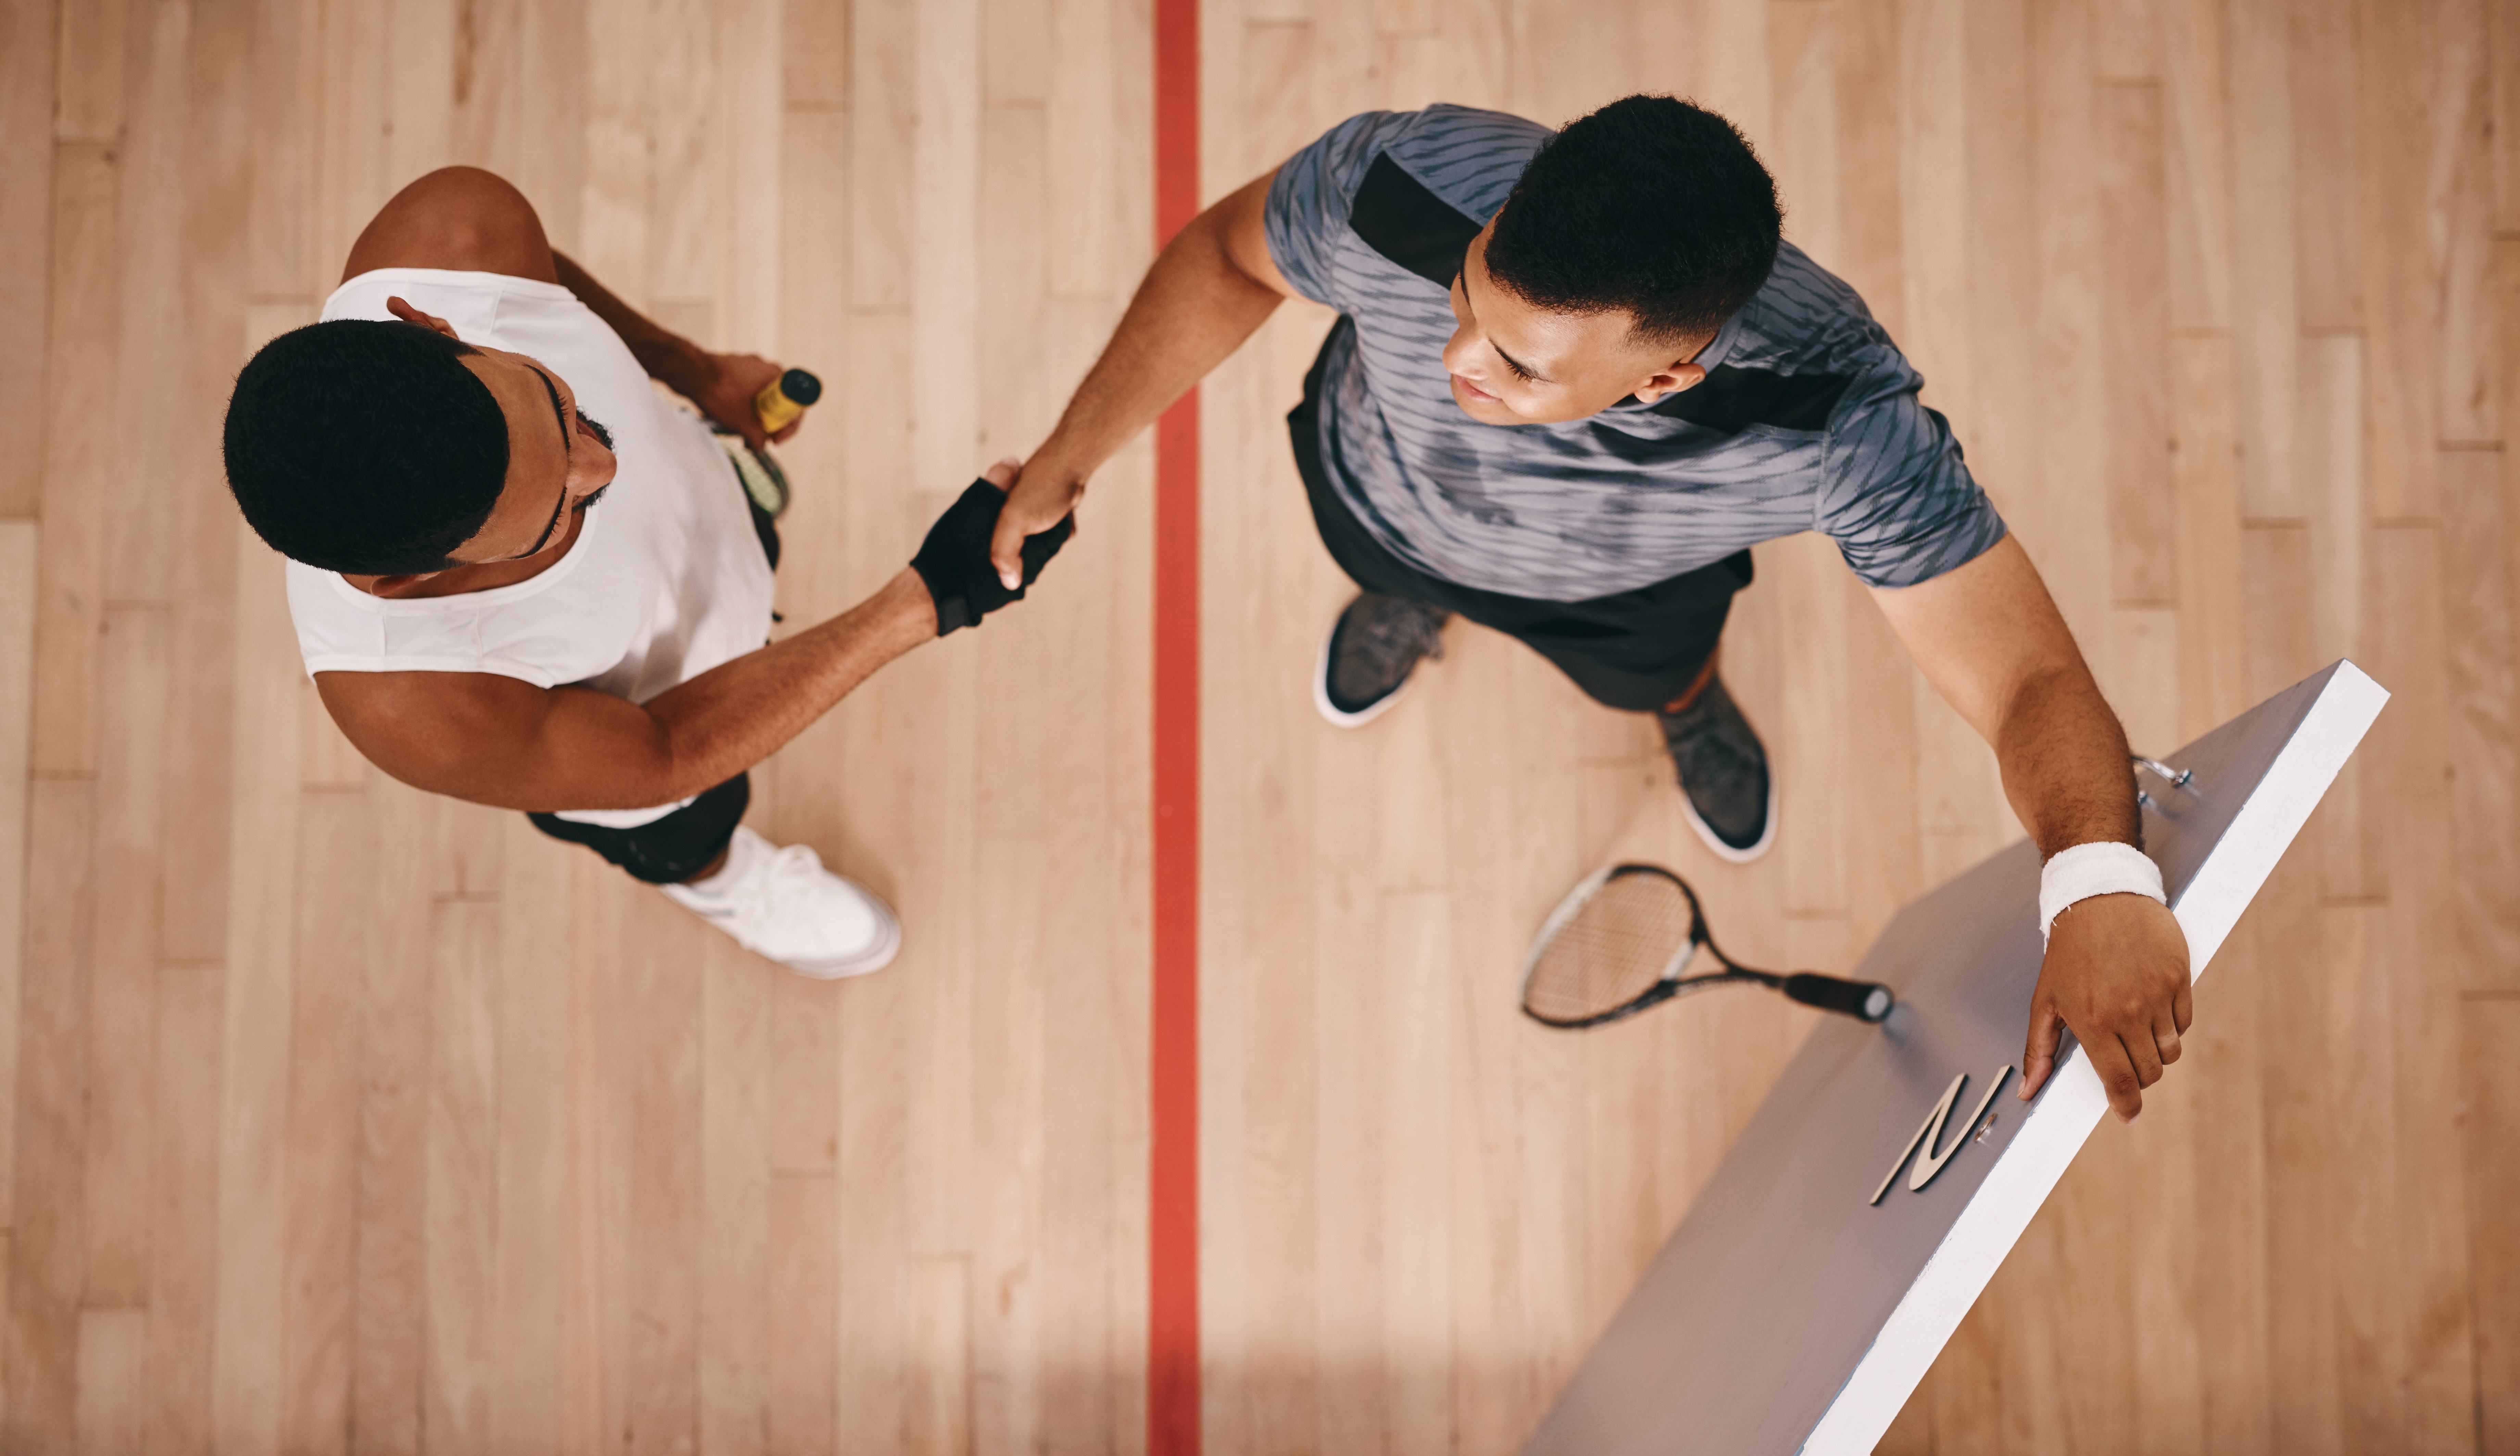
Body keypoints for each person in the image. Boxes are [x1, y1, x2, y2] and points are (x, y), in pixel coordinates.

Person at [987, 97, 2193, 1118]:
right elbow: (1226, 257)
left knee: (1660, 669)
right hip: (1384, 499)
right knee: (1392, 570)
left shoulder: (1838, 421)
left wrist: (2098, 879)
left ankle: (1682, 701)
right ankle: (1409, 608)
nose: (1459, 362)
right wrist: (1069, 453)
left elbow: (2025, 674)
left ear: (1668, 375)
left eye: (1521, 367)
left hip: (1625, 593)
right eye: (1468, 301)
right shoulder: (1400, 179)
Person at [223, 167, 1057, 978]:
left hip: (708, 523)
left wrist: (695, 370)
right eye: (560, 509)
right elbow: (664, 751)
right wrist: (925, 599)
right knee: (685, 834)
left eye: (563, 407)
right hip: (662, 728)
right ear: (404, 584)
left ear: (436, 327)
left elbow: (552, 280)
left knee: (715, 514)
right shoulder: (415, 703)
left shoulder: (458, 232)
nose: (600, 467)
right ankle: (730, 885)